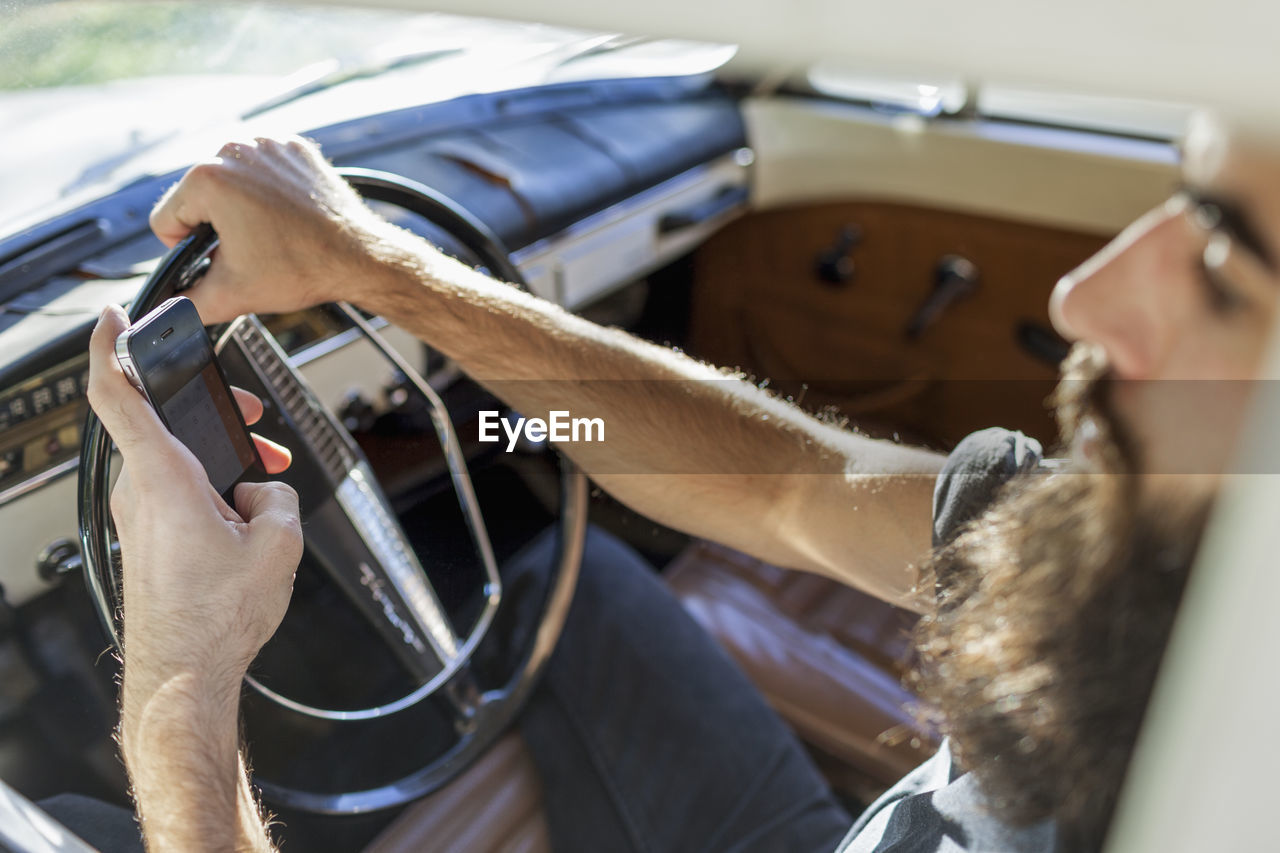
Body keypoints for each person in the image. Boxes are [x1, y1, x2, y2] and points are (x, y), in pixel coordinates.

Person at [79, 110, 1279, 853]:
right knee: (572, 572)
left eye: (1222, 264)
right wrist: (378, 267)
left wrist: (183, 667)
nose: (1082, 295)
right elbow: (791, 486)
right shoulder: (1172, 529)